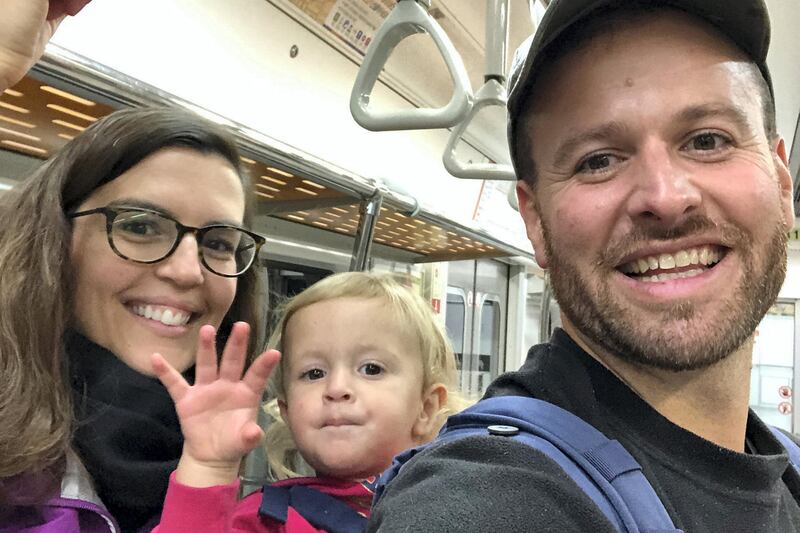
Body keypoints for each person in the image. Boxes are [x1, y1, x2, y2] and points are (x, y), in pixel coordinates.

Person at [367, 0, 800, 531]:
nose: (665, 197)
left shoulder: (784, 470)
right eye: (599, 160)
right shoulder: (491, 496)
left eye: (708, 141)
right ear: (535, 219)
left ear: (782, 185)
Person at [0, 2, 271, 531]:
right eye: (142, 226)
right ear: (55, 239)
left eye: (217, 242)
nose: (188, 271)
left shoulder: (224, 467)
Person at [150, 271, 465, 532]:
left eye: (371, 369)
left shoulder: (465, 499)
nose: (336, 388)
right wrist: (208, 465)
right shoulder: (267, 520)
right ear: (286, 413)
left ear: (426, 408)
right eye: (314, 373)